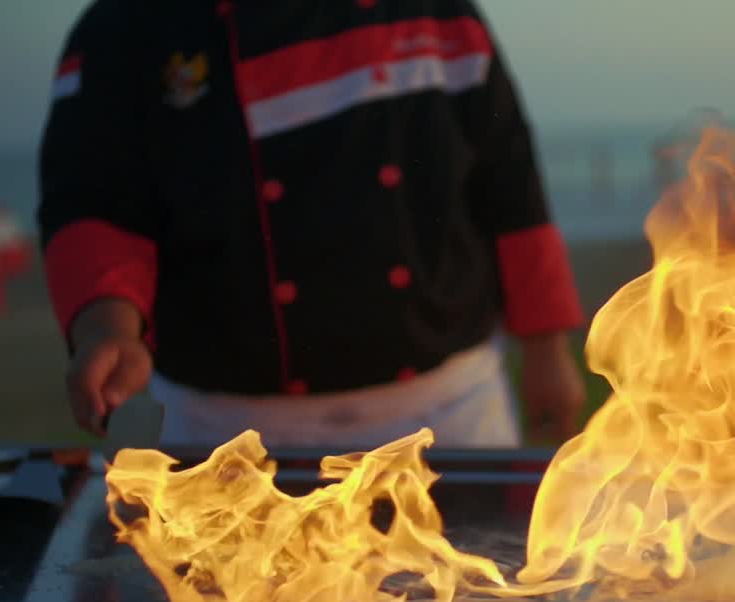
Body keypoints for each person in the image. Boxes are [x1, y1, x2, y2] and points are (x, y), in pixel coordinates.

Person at [38, 0, 586, 449]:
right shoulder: (123, 30)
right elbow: (95, 206)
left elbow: (512, 190)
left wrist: (546, 351)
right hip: (230, 431)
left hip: (450, 414)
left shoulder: (442, 15)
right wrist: (107, 331)